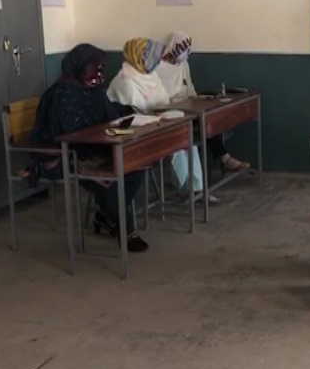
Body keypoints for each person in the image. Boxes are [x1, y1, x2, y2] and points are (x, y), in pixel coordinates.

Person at [30, 44, 149, 252]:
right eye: (94, 68)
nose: (99, 74)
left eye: (101, 69)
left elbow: (109, 118)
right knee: (111, 180)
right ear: (79, 67)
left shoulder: (94, 92)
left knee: (136, 166)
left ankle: (107, 214)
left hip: (95, 148)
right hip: (68, 155)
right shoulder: (60, 95)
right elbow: (63, 136)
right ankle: (125, 229)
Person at [107, 37, 216, 203]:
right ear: (140, 57)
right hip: (138, 134)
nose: (156, 61)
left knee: (188, 141)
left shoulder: (149, 75)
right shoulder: (125, 81)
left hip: (158, 124)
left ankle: (198, 188)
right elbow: (135, 112)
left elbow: (163, 100)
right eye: (152, 57)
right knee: (177, 145)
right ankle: (187, 191)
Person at [157, 31, 250, 173]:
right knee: (204, 122)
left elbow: (189, 88)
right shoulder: (157, 68)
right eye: (183, 48)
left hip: (190, 108)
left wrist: (197, 98)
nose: (186, 53)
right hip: (171, 113)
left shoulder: (183, 65)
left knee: (210, 118)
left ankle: (223, 158)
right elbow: (160, 99)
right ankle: (224, 159)